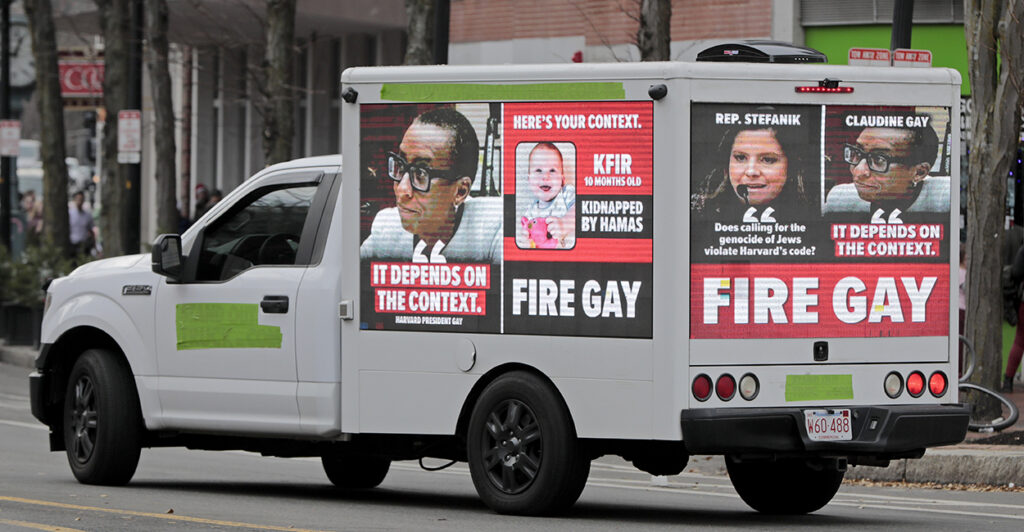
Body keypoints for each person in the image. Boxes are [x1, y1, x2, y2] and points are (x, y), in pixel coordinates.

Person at [360, 107, 502, 264]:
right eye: (400, 166)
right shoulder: (387, 228)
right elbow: (350, 272)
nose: (401, 189)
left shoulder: (492, 228)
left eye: (421, 173)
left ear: (460, 192)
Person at [824, 120, 948, 222]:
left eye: (879, 159)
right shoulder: (840, 199)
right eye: (857, 153)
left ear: (919, 173)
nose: (858, 171)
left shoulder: (944, 199)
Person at [692, 124, 813, 222]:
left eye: (768, 160)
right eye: (740, 158)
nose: (751, 171)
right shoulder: (698, 214)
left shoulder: (811, 218)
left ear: (790, 166)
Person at [519, 142, 575, 249]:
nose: (545, 177)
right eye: (538, 170)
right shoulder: (530, 212)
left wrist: (564, 224)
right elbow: (528, 228)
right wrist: (527, 241)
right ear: (529, 180)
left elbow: (580, 209)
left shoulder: (566, 194)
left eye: (552, 170)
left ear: (562, 180)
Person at [68, 190, 95, 256]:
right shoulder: (70, 214)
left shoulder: (87, 215)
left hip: (84, 245)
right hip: (73, 244)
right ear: (74, 200)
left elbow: (91, 231)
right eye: (78, 199)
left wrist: (94, 245)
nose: (79, 201)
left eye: (81, 199)